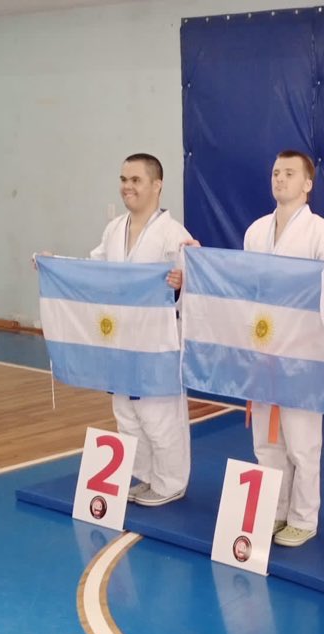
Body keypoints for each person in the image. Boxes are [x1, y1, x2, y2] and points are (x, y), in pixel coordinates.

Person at [243, 150, 324, 547]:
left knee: (302, 442)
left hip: (303, 353)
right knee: (266, 443)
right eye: (275, 172)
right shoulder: (256, 231)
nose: (280, 179)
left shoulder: (322, 233)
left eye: (289, 173)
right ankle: (273, 510)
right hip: (264, 350)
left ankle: (304, 517)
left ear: (308, 184)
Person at [88, 153, 192, 507]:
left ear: (156, 185)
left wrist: (180, 283)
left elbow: (193, 281)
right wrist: (55, 267)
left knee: (158, 414)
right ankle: (145, 476)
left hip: (157, 341)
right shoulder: (114, 229)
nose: (127, 187)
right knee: (127, 414)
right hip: (120, 338)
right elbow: (96, 268)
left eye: (135, 180)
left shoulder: (173, 234)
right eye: (123, 179)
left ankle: (171, 482)